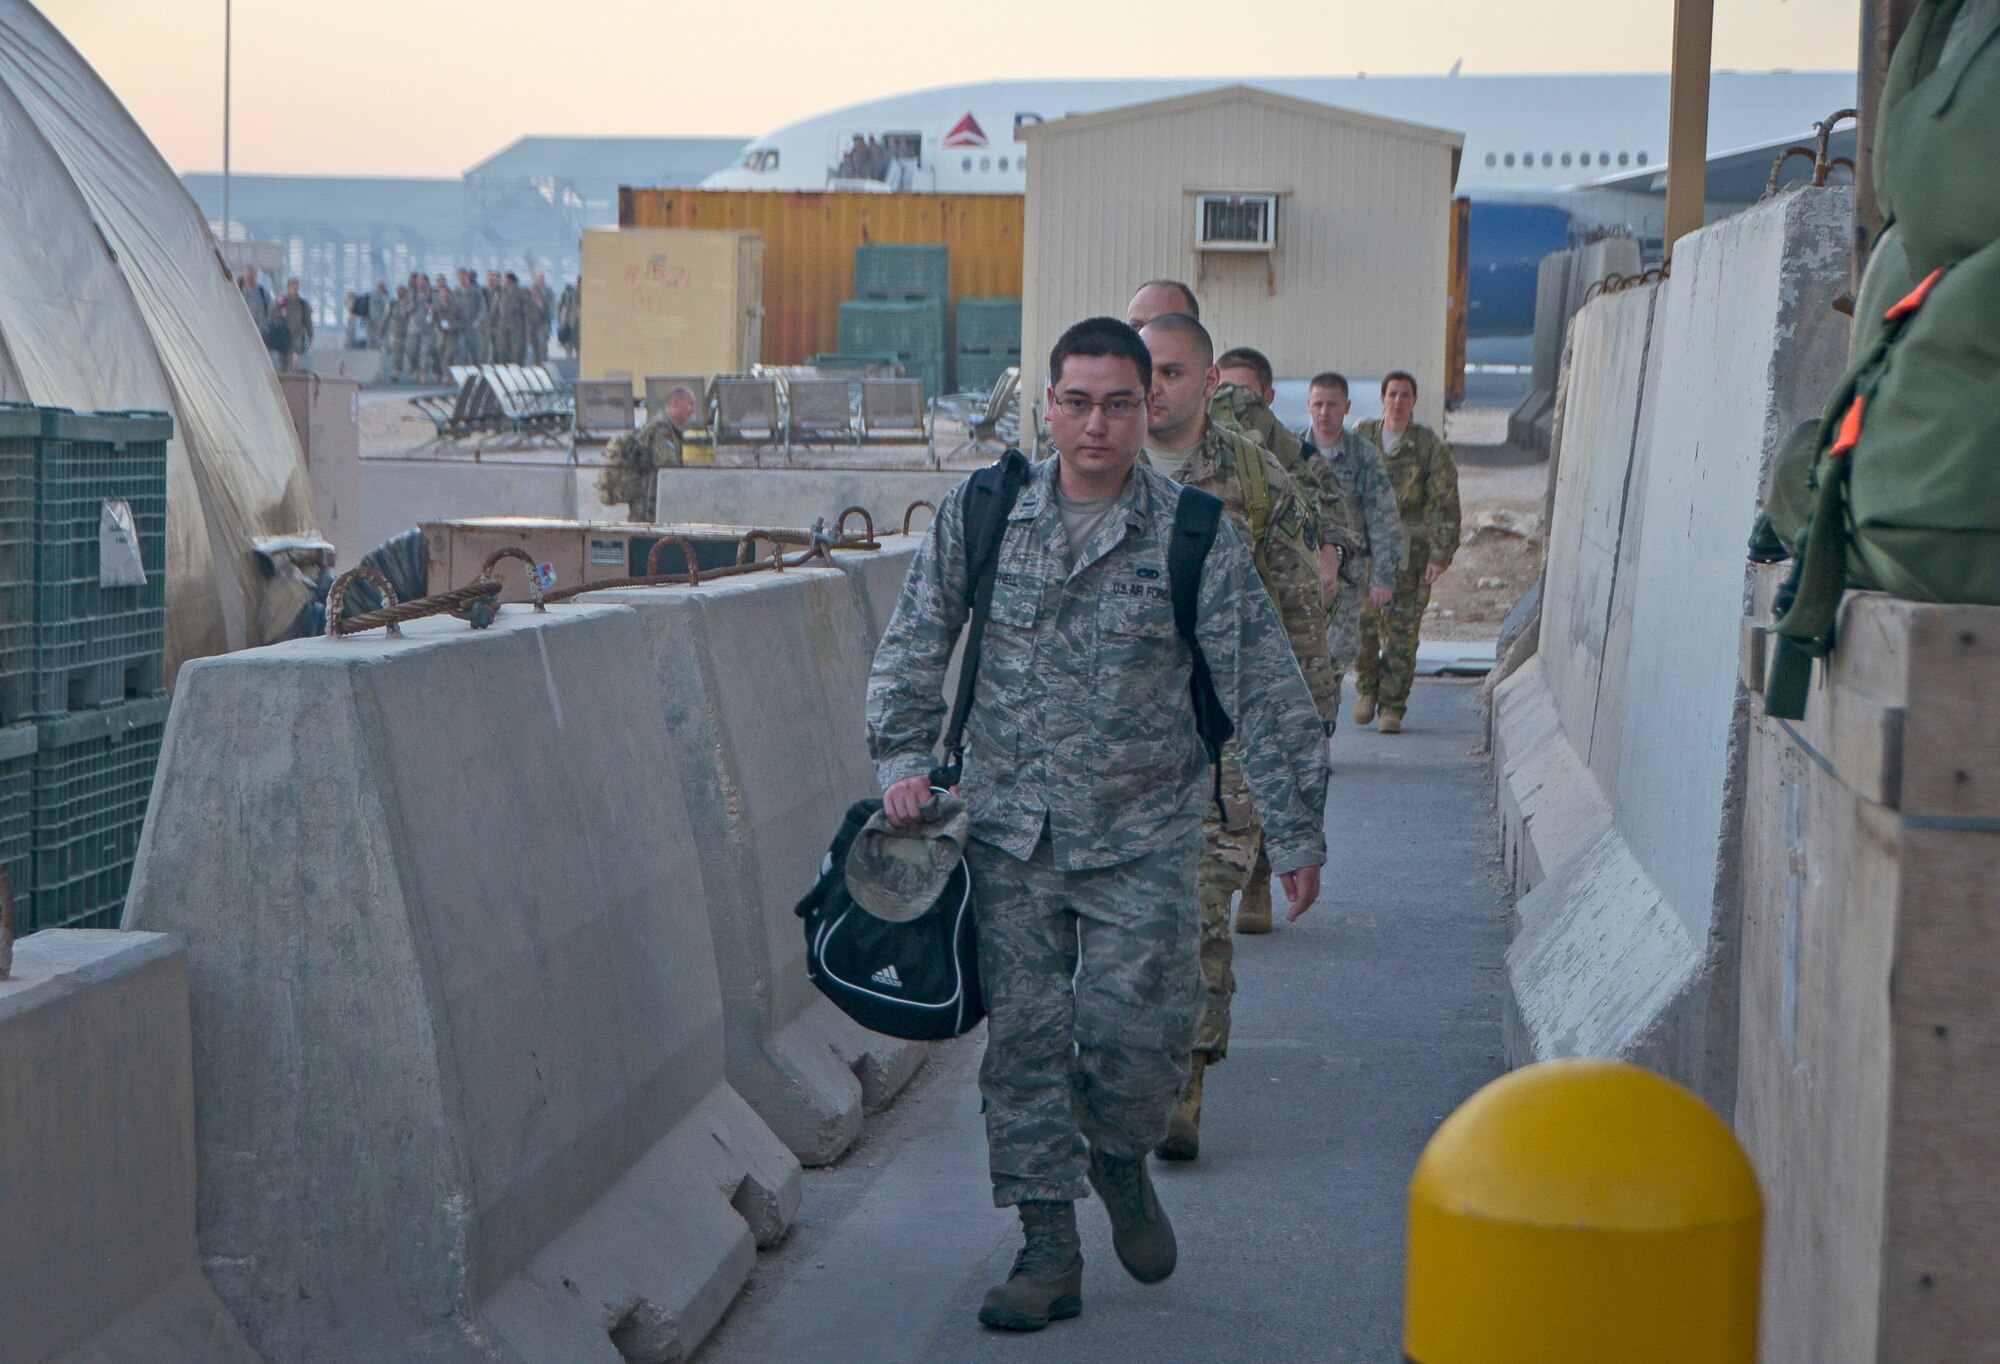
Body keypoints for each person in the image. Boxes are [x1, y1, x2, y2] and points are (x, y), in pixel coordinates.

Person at [868, 316, 1327, 1333]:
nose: (1095, 423)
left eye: (1118, 402)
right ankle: (1046, 1247)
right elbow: (914, 641)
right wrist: (903, 762)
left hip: (1142, 839)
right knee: (1024, 1045)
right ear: (1047, 405)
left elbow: (1262, 681)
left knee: (1140, 1040)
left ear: (1146, 407)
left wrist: (1294, 828)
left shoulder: (1191, 533)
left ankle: (1116, 1154)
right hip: (1007, 836)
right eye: (1075, 401)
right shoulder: (984, 514)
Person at [1138, 313, 1337, 1154]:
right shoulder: (1088, 469)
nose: (1153, 391)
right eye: (1142, 371)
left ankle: (1183, 1079)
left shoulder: (1252, 478)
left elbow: (1295, 622)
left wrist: (1300, 773)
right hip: (1111, 749)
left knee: (1198, 912)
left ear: (1209, 380)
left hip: (1221, 742)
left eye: (1172, 373)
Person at [1352, 371, 1461, 734]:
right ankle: (1367, 689)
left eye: (1405, 395)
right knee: (1364, 626)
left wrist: (1439, 554)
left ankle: (1392, 706)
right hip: (1366, 551)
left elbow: (1444, 500)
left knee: (1401, 631)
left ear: (1414, 401)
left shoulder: (1428, 446)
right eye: (1392, 394)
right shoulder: (1363, 438)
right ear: (1382, 399)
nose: (1398, 402)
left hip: (1410, 552)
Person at [1305, 372, 1407, 727]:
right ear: (1308, 406)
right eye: (1317, 404)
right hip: (1299, 572)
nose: (1324, 413)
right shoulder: (1292, 454)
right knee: (1299, 656)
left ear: (1346, 408)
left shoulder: (1363, 456)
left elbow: (1382, 518)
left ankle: (1322, 729)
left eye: (1332, 405)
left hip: (1347, 577)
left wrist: (1382, 577)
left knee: (1334, 657)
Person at [596, 385, 693, 521]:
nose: (692, 410)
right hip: (649, 510)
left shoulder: (660, 426)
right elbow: (668, 469)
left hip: (646, 506)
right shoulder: (662, 431)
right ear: (675, 404)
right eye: (690, 404)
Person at [275, 278, 314, 373]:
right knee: (283, 363)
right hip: (283, 337)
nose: (295, 290)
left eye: (296, 288)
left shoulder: (302, 304)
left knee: (294, 362)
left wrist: (310, 334)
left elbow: (307, 320)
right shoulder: (282, 301)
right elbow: (273, 314)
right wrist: (280, 313)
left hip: (297, 338)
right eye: (293, 287)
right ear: (288, 288)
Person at [386, 284, 412, 382]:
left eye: (401, 291)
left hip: (409, 331)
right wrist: (382, 326)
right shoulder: (393, 303)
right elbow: (387, 315)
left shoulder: (409, 303)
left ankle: (414, 370)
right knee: (397, 353)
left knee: (412, 351)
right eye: (397, 291)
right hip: (397, 331)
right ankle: (395, 371)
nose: (399, 293)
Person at [528, 273, 553, 365]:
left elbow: (548, 313)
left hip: (542, 325)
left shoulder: (544, 300)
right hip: (532, 326)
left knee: (542, 344)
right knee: (534, 346)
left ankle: (544, 362)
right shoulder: (528, 302)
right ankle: (537, 363)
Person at [557, 279, 581, 359]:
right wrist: (560, 320)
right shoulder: (568, 293)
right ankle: (569, 358)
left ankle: (578, 357)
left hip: (579, 323)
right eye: (579, 283)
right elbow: (559, 307)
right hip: (569, 322)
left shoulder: (587, 293)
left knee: (578, 343)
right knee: (568, 343)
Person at [366, 279, 392, 351]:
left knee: (379, 342)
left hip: (380, 324)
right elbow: (375, 312)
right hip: (375, 324)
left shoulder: (384, 295)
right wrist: (380, 324)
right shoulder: (375, 296)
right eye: (383, 286)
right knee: (374, 343)